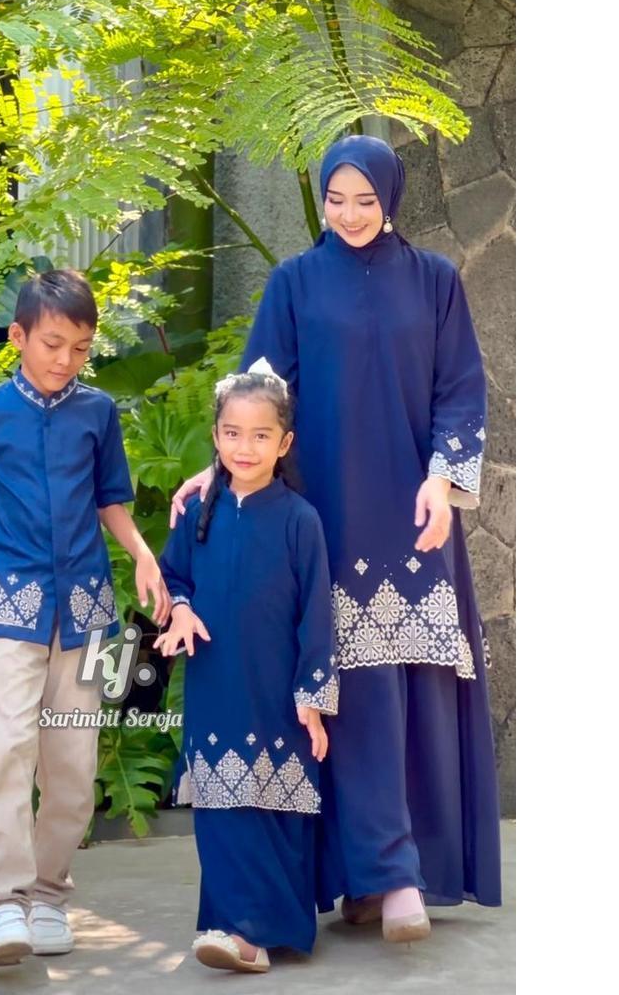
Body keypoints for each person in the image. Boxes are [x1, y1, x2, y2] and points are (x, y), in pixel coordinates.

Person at [171, 134, 501, 942]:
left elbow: (461, 390)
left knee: (403, 693)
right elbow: (258, 396)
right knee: (336, 696)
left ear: (391, 197)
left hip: (411, 515)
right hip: (321, 516)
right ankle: (368, 877)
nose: (349, 215)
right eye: (335, 199)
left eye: (365, 199)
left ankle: (396, 876)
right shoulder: (293, 282)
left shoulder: (435, 281)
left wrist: (442, 479)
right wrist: (216, 471)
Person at [0, 269, 172, 967]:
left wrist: (143, 555)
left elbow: (110, 501)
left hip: (90, 616)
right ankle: (1, 902)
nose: (67, 359)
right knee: (4, 753)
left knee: (73, 764)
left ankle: (48, 895)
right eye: (53, 344)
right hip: (1, 613)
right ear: (18, 336)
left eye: (81, 347)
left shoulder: (98, 413)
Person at [154, 360, 337, 973]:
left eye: (261, 435)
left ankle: (271, 929)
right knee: (222, 808)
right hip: (215, 683)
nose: (245, 447)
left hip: (278, 691)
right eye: (232, 433)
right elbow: (173, 576)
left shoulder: (300, 520)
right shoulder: (197, 513)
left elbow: (316, 615)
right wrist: (180, 609)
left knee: (275, 810)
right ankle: (237, 931)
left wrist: (312, 697)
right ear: (215, 436)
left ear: (284, 443)